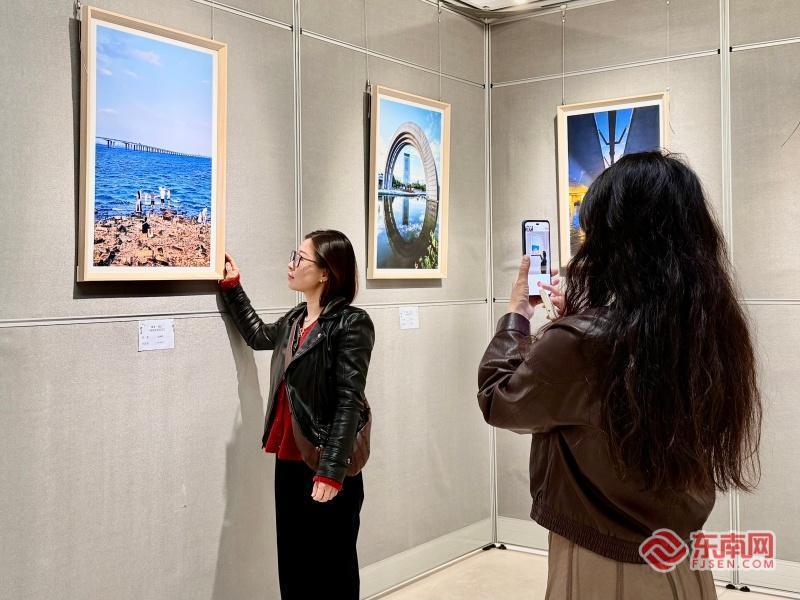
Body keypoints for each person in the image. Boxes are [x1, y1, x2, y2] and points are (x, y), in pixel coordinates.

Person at [478, 152, 761, 599]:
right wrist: (577, 320)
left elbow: (499, 399)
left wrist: (516, 316)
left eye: (591, 233)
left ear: (619, 242)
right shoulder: (708, 327)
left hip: (604, 559)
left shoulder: (581, 342)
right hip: (681, 557)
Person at [219, 230, 374, 600]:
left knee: (332, 571)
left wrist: (332, 471)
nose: (291, 264)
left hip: (326, 463)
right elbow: (258, 335)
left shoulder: (351, 323)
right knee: (293, 566)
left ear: (325, 273)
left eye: (300, 259)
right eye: (295, 255)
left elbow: (349, 400)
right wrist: (233, 286)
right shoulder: (296, 319)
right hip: (290, 459)